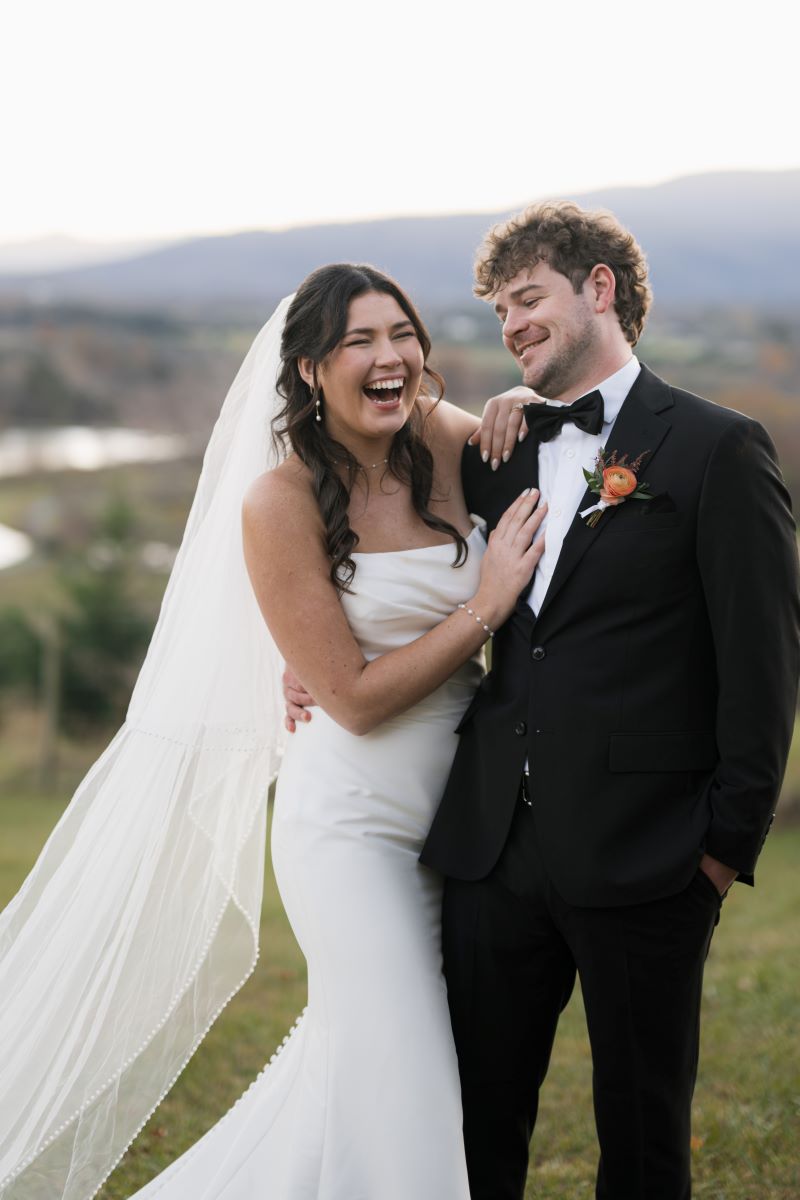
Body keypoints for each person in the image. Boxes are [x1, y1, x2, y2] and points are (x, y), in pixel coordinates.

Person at [0, 263, 547, 1200]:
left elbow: (571, 440)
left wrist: (521, 396)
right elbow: (357, 699)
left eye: (402, 335)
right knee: (405, 1077)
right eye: (358, 342)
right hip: (351, 831)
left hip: (464, 824)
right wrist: (482, 608)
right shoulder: (278, 503)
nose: (390, 358)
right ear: (306, 370)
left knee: (365, 1077)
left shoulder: (454, 443)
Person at [287, 202, 800, 1199]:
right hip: (490, 857)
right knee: (471, 1128)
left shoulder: (715, 450)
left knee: (643, 1138)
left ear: (598, 289)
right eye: (497, 311)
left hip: (650, 857)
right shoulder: (492, 451)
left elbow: (762, 666)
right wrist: (312, 645)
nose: (510, 324)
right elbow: (391, 550)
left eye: (527, 299)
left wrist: (717, 850)